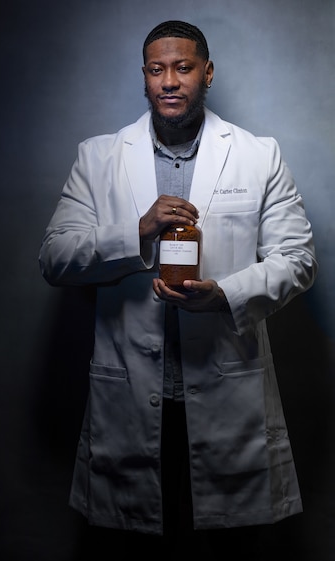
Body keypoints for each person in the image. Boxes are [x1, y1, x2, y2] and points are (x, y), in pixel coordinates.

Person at [39, 20, 318, 556]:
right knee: (134, 549)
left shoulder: (259, 155)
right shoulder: (98, 158)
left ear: (207, 74)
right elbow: (54, 257)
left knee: (226, 549)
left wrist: (226, 295)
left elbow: (298, 259)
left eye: (184, 68)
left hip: (224, 392)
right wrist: (136, 231)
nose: (170, 80)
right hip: (130, 396)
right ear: (144, 78)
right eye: (157, 69)